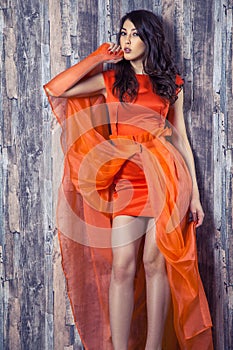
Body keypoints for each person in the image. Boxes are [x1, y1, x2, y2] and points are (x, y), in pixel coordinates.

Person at [44, 9, 213, 350]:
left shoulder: (171, 84)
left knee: (155, 263)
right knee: (122, 266)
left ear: (149, 38)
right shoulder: (111, 80)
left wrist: (194, 195)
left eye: (134, 34)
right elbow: (57, 89)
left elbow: (180, 139)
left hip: (167, 178)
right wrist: (97, 57)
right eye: (123, 33)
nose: (126, 40)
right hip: (126, 178)